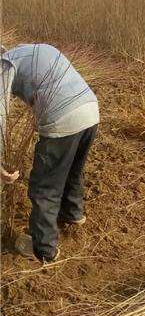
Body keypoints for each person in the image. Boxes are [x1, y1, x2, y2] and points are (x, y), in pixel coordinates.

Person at [0, 43, 99, 263]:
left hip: (62, 118)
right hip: (91, 110)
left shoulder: (4, 66)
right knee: (72, 169)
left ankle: (43, 248)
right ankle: (73, 215)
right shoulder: (34, 49)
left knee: (44, 187)